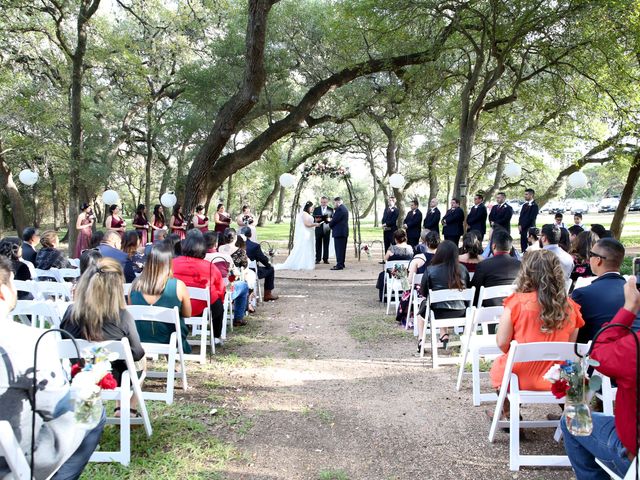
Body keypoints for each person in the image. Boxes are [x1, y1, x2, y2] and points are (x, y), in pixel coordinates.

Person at [0, 256, 104, 480]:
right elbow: (57, 408)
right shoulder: (31, 341)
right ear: (4, 292)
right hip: (14, 464)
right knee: (91, 404)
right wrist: (82, 383)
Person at [489, 250, 584, 414]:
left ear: (526, 273)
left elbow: (502, 343)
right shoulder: (570, 307)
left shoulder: (516, 303)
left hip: (520, 378)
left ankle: (509, 414)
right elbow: (570, 348)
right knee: (569, 367)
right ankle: (568, 415)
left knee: (500, 365)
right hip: (557, 379)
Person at [562, 276, 638, 479]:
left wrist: (629, 308)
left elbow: (597, 351)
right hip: (572, 371)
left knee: (572, 420)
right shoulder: (569, 306)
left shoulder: (634, 348)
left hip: (633, 456)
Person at [61, 257, 146, 417]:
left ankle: (89, 411)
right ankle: (128, 408)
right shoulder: (123, 317)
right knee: (141, 361)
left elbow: (64, 342)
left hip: (79, 373)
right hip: (114, 378)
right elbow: (137, 353)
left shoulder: (70, 314)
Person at [572, 237, 640, 343]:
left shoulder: (582, 294)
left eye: (591, 255)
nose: (589, 258)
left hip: (595, 354)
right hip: (632, 352)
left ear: (598, 260)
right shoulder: (635, 294)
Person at [129, 244, 193, 353]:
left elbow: (132, 312)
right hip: (171, 338)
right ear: (169, 263)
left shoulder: (135, 285)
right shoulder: (178, 285)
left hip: (141, 337)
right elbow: (187, 313)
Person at [417, 240, 471, 350]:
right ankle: (444, 335)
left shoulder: (431, 270)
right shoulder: (463, 269)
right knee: (439, 303)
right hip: (461, 311)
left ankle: (421, 339)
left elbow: (423, 292)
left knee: (423, 310)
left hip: (438, 313)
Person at [172, 233, 227, 339]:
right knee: (219, 305)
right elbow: (221, 290)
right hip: (202, 309)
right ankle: (216, 336)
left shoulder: (171, 263)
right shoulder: (210, 267)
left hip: (176, 307)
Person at [471, 229, 521, 306]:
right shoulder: (520, 265)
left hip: (487, 310)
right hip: (514, 308)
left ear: (494, 246)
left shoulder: (483, 265)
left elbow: (474, 290)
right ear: (510, 247)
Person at [276, 201, 320, 271]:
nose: (313, 208)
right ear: (308, 207)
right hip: (306, 234)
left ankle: (307, 263)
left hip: (308, 233)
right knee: (305, 247)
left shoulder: (306, 214)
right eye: (312, 207)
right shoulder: (304, 214)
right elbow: (306, 224)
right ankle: (304, 264)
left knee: (308, 247)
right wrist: (316, 224)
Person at [245, 228, 279, 301]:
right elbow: (263, 259)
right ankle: (267, 294)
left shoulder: (234, 245)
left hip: (237, 271)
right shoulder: (254, 246)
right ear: (250, 235)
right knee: (271, 270)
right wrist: (269, 265)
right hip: (252, 272)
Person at [329, 197, 349, 270]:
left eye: (334, 203)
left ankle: (339, 265)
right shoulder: (344, 208)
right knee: (342, 249)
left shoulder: (340, 209)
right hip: (343, 232)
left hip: (339, 232)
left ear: (338, 202)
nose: (334, 204)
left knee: (339, 249)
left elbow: (334, 220)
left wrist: (329, 224)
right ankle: (341, 263)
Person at [312, 197, 334, 265]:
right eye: (322, 202)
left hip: (327, 229)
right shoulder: (316, 209)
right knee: (318, 244)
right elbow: (315, 218)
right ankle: (318, 259)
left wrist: (322, 218)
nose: (323, 204)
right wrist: (324, 218)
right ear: (320, 202)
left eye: (324, 202)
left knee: (326, 244)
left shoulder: (330, 209)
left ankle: (325, 259)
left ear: (327, 202)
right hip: (318, 229)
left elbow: (331, 219)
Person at [517, 188, 538, 253]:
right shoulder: (524, 205)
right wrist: (519, 224)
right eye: (525, 194)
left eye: (526, 194)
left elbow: (531, 218)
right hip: (522, 229)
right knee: (523, 245)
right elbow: (521, 216)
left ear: (531, 195)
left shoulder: (534, 206)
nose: (525, 196)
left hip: (529, 228)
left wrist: (523, 225)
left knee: (530, 245)